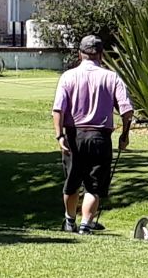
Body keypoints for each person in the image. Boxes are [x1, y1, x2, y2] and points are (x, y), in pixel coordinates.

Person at [52, 35, 133, 234]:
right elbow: (127, 111)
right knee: (94, 185)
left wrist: (59, 136)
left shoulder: (68, 76)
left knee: (72, 183)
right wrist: (125, 135)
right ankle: (85, 225)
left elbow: (58, 110)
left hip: (74, 136)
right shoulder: (111, 77)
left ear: (80, 54)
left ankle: (70, 221)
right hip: (100, 137)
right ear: (101, 55)